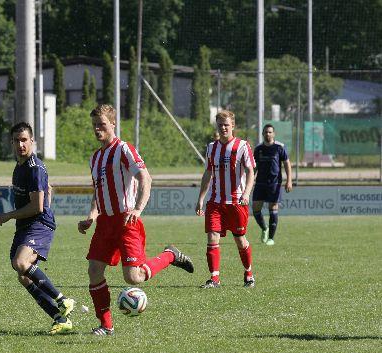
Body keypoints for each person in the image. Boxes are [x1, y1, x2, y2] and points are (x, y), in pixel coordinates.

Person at [78, 104, 194, 336]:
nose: (97, 129)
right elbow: (98, 191)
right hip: (105, 224)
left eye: (101, 124)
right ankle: (106, 325)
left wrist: (138, 209)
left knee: (134, 277)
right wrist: (91, 215)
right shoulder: (95, 158)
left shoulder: (124, 150)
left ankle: (170, 255)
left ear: (113, 124)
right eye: (94, 125)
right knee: (94, 271)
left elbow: (145, 179)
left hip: (126, 221)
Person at [0, 122, 75, 335]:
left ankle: (63, 300)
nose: (21, 144)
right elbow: (47, 190)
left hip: (39, 223)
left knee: (20, 262)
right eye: (17, 140)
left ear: (32, 141)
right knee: (23, 275)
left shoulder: (34, 168)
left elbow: (37, 206)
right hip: (25, 225)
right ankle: (60, 318)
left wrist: (8, 215)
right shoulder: (20, 166)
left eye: (25, 140)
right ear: (11, 143)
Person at [195, 110, 256, 288]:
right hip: (215, 202)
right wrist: (200, 198)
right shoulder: (211, 148)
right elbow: (208, 173)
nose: (223, 128)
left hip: (237, 202)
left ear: (233, 126)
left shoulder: (243, 146)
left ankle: (249, 273)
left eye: (226, 125)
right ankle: (214, 278)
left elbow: (251, 171)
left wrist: (246, 193)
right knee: (212, 237)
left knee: (240, 240)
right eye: (220, 125)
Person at [252, 124, 293, 245]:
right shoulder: (258, 149)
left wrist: (289, 180)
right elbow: (254, 168)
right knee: (255, 208)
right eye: (265, 132)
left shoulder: (279, 147)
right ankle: (265, 228)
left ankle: (271, 238)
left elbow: (287, 164)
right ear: (262, 134)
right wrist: (249, 181)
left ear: (274, 134)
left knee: (273, 208)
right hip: (260, 183)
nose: (267, 134)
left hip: (274, 184)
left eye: (270, 132)